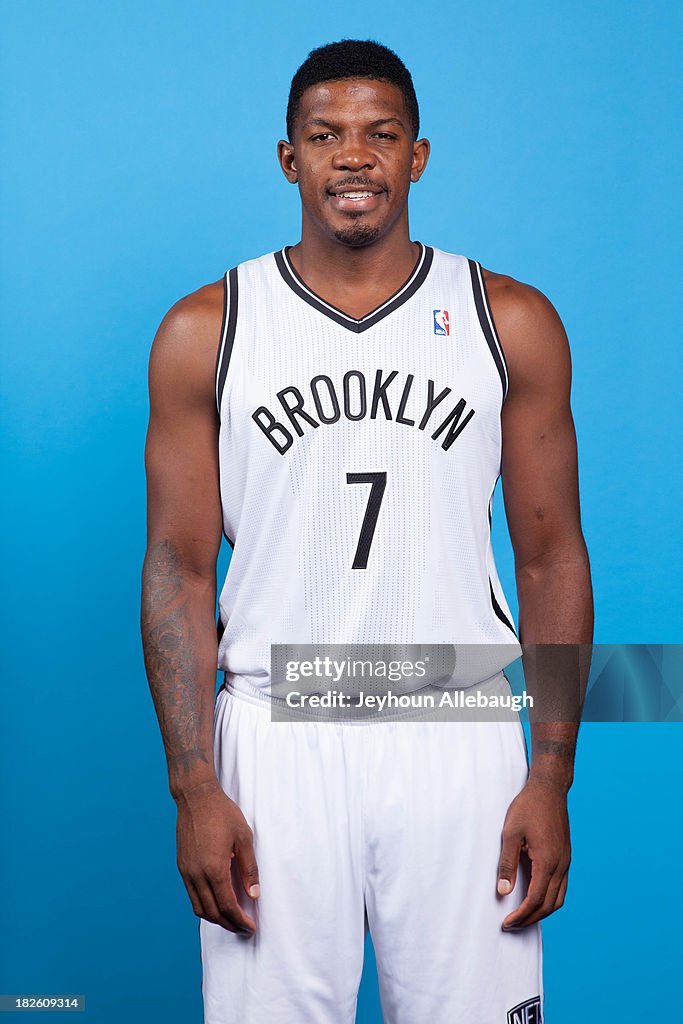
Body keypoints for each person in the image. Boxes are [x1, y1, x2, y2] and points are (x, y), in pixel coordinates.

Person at [141, 38, 593, 1024]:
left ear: (416, 156)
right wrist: (193, 784)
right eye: (325, 135)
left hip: (456, 727)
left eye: (378, 135)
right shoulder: (205, 329)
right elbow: (176, 568)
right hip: (272, 730)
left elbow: (550, 553)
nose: (352, 157)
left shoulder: (505, 320)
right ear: (287, 157)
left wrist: (549, 774)